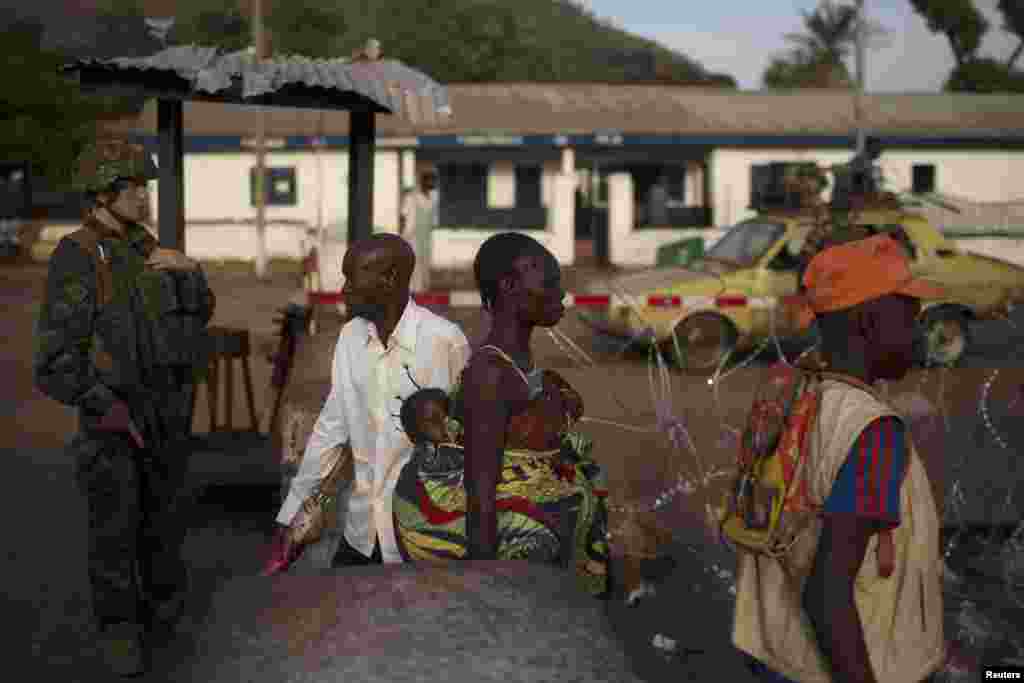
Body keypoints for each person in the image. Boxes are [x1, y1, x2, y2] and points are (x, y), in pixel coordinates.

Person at [33, 138, 216, 676]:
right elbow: (56, 359)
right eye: (132, 186)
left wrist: (187, 267)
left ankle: (166, 625)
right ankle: (120, 632)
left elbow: (198, 311)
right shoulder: (78, 256)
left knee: (162, 526)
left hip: (164, 415)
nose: (143, 194)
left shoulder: (148, 249)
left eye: (143, 184)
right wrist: (99, 404)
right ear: (101, 194)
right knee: (114, 533)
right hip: (113, 420)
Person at [732, 233, 947, 683]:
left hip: (776, 652)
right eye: (909, 319)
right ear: (869, 322)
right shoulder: (873, 432)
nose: (918, 334)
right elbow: (827, 594)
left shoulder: (793, 396)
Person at [392, 232, 611, 597]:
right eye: (551, 283)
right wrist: (488, 594)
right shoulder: (490, 375)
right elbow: (481, 493)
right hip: (509, 581)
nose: (561, 295)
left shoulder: (520, 366)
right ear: (510, 287)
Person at [275, 234, 471, 567]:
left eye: (353, 277)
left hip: (424, 540)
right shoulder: (350, 338)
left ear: (390, 278)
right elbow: (331, 429)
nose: (344, 288)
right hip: (362, 533)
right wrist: (294, 511)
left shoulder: (444, 342)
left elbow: (466, 442)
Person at [398, 171, 438, 293]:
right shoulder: (411, 197)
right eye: (430, 180)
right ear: (423, 182)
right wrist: (402, 237)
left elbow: (432, 222)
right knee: (414, 265)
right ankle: (413, 292)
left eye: (434, 181)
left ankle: (423, 291)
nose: (433, 183)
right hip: (412, 236)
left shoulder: (432, 200)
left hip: (425, 237)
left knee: (425, 262)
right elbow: (403, 217)